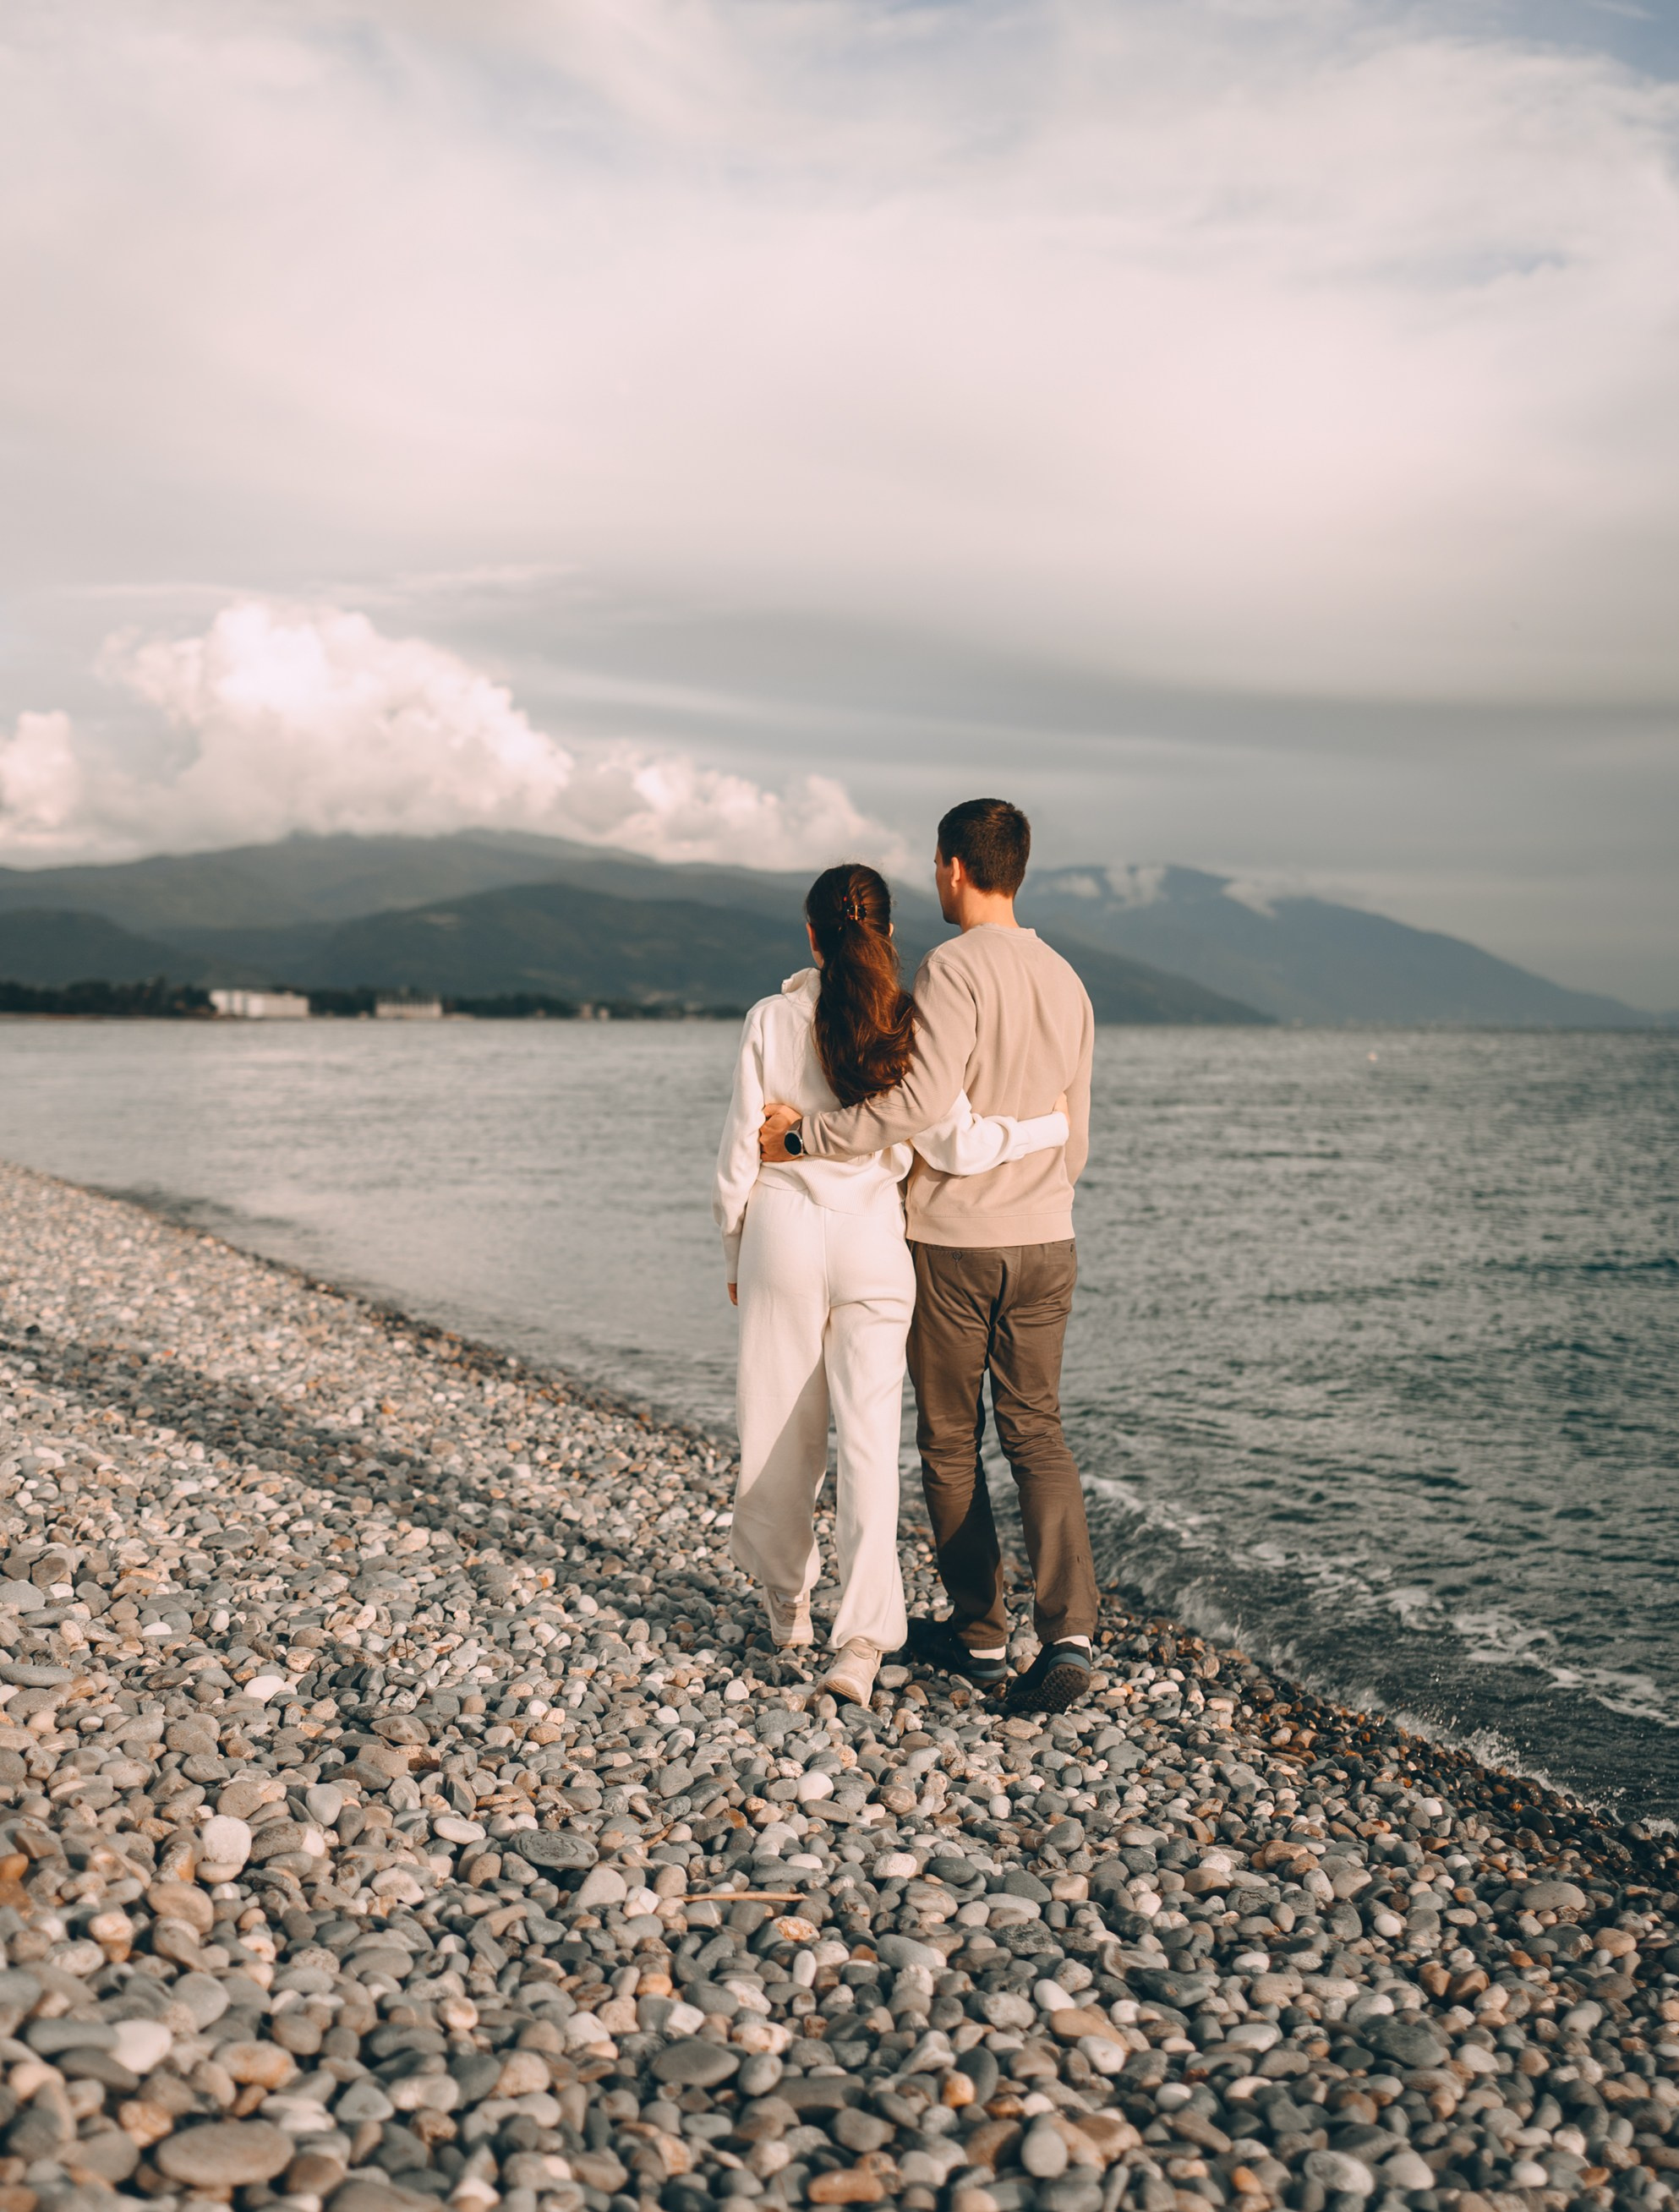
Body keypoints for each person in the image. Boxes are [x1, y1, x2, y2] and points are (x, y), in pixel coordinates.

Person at [759, 798, 1098, 1715]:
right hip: (1049, 1237)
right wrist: (1041, 1189)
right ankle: (1068, 1631)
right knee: (1038, 1429)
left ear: (954, 868)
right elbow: (1079, 1130)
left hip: (957, 1242)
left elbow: (913, 1107)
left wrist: (804, 1140)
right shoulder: (1068, 978)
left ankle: (983, 1633)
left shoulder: (953, 968)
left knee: (952, 1441)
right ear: (1016, 869)